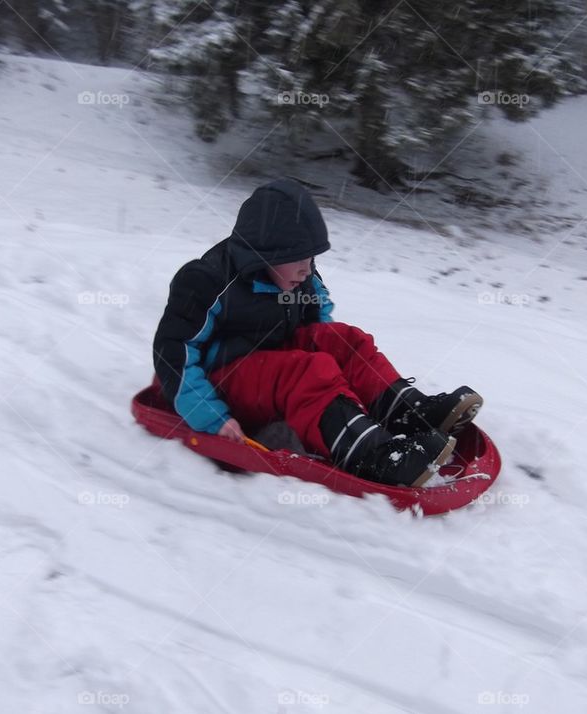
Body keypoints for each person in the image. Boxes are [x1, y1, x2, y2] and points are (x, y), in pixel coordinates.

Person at [153, 178, 482, 487]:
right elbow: (173, 352)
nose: (307, 268)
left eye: (311, 258)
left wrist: (335, 367)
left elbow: (321, 317)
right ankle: (372, 455)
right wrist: (212, 417)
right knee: (308, 371)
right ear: (265, 253)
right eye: (298, 259)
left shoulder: (298, 275)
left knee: (344, 340)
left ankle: (408, 413)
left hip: (278, 367)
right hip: (224, 382)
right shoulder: (205, 282)